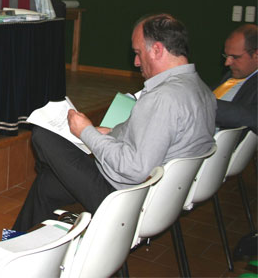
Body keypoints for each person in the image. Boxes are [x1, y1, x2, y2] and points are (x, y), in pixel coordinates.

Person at [13, 14, 216, 232]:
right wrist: (111, 132)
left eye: (138, 53)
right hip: (163, 197)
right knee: (47, 184)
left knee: (44, 136)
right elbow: (156, 137)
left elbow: (134, 169)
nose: (136, 62)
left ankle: (30, 228)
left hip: (125, 199)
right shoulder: (201, 89)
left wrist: (86, 132)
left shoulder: (163, 98)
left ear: (157, 49)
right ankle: (13, 241)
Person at [213, 24, 257, 133]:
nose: (227, 63)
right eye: (226, 56)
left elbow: (252, 116)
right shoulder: (234, 74)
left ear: (256, 55)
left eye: (235, 57)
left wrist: (203, 105)